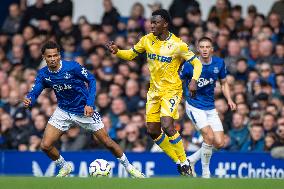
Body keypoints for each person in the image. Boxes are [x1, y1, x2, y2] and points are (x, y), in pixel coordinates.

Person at [23, 41, 144, 178]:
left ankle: (130, 168)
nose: (52, 59)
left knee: (107, 142)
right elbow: (36, 89)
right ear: (44, 57)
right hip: (63, 111)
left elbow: (91, 80)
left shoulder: (72, 67)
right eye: (49, 56)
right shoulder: (43, 73)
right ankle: (64, 166)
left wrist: (90, 104)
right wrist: (30, 98)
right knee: (45, 145)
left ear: (59, 55)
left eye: (55, 55)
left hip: (84, 110)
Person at [106, 9, 202, 176]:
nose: (152, 25)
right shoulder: (147, 40)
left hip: (171, 90)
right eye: (151, 22)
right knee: (152, 130)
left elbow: (197, 63)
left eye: (156, 22)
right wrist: (118, 51)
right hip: (154, 92)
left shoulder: (178, 45)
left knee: (167, 125)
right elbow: (131, 55)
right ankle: (179, 162)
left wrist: (193, 81)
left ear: (165, 24)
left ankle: (185, 161)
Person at [179, 36, 236, 178]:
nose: (204, 50)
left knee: (220, 143)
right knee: (209, 137)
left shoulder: (219, 63)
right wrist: (178, 96)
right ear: (198, 49)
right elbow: (177, 80)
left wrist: (229, 99)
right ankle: (206, 172)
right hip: (194, 106)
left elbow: (224, 83)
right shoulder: (189, 64)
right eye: (202, 47)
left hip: (210, 107)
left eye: (207, 47)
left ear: (212, 49)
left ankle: (190, 160)